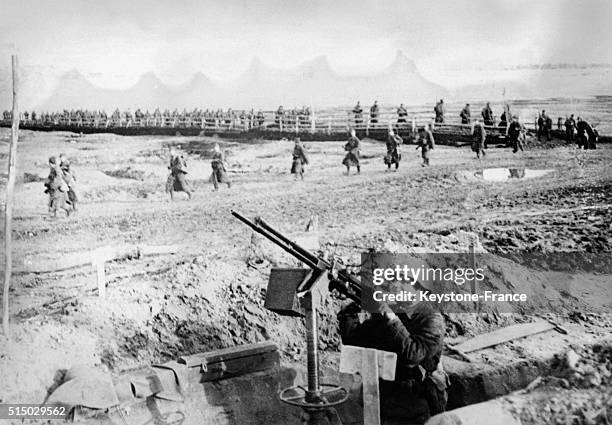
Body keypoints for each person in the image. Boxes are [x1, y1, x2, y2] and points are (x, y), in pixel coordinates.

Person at [338, 300, 447, 424]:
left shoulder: (432, 318)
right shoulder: (394, 311)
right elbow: (356, 341)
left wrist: (391, 319)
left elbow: (413, 355)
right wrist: (349, 314)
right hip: (384, 398)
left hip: (416, 400)